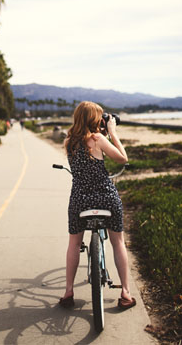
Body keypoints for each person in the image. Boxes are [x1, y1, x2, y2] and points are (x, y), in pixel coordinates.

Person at [59, 101, 134, 309]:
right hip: (105, 197)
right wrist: (112, 131)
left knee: (74, 243)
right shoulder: (98, 139)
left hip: (80, 199)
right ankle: (126, 293)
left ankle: (68, 292)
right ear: (95, 120)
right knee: (117, 241)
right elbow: (122, 158)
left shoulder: (69, 141)